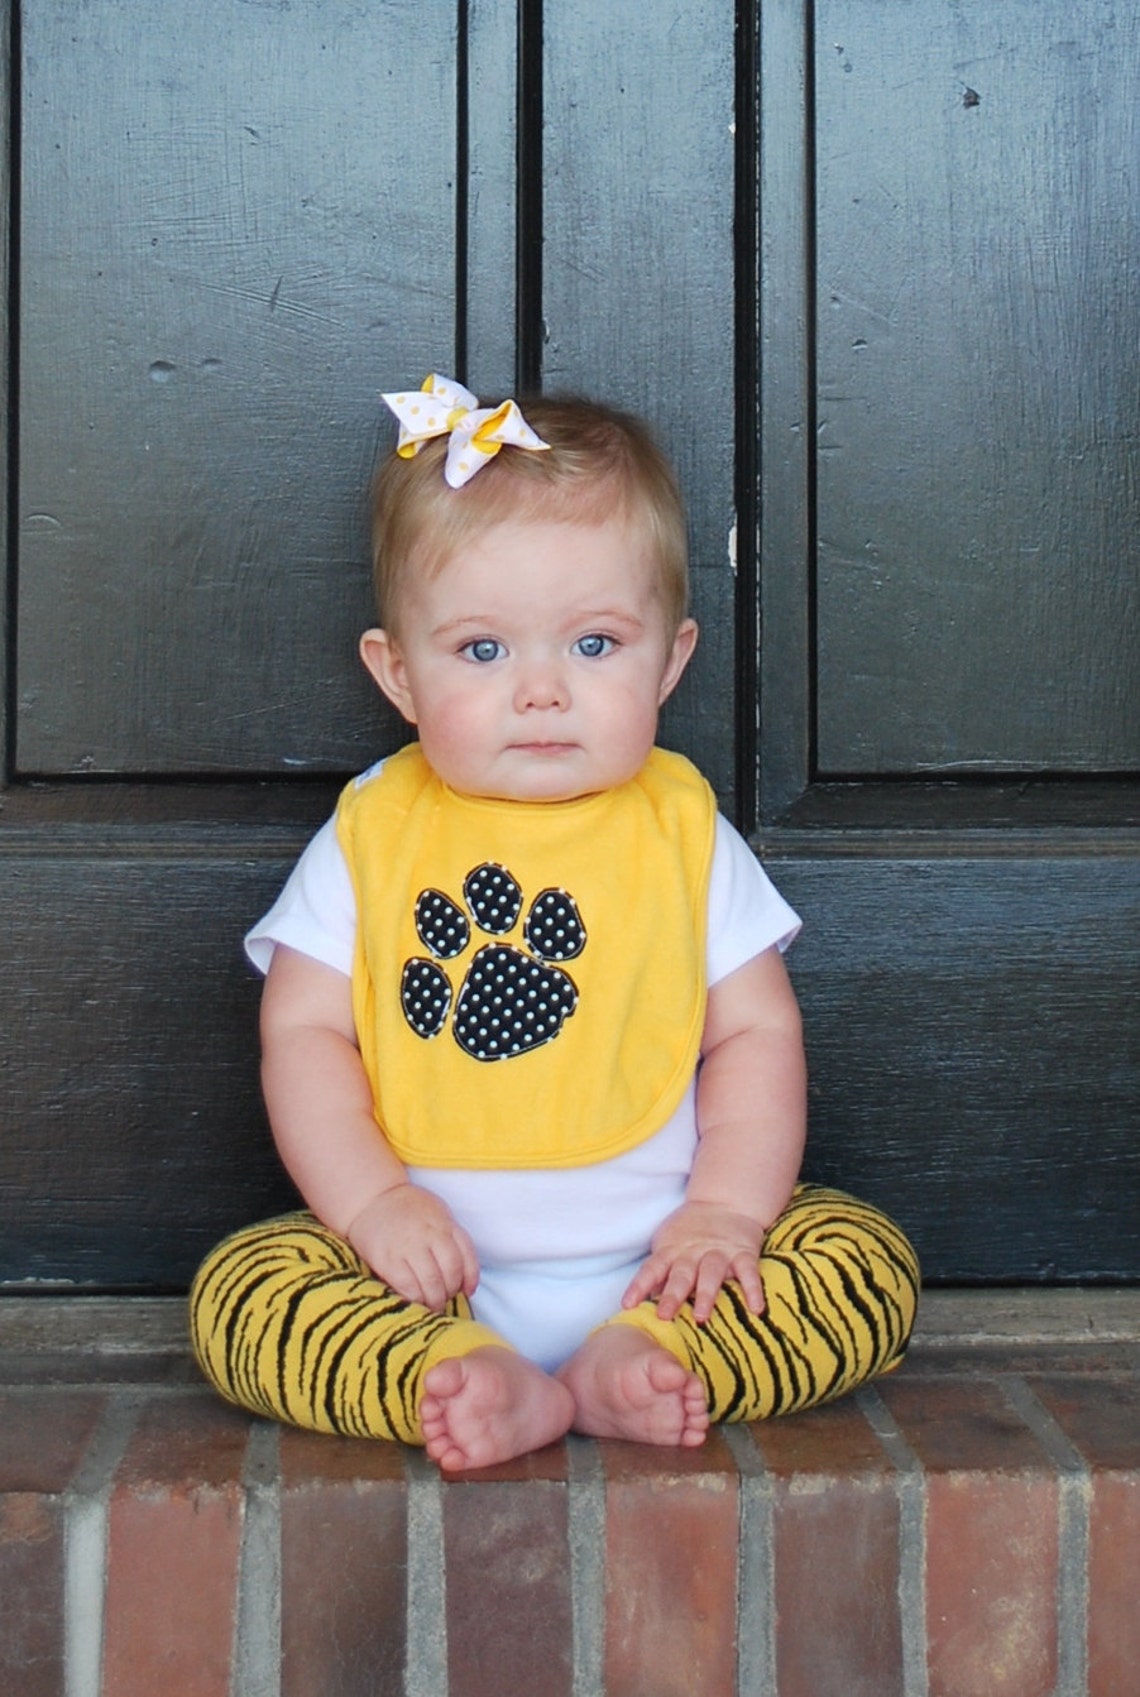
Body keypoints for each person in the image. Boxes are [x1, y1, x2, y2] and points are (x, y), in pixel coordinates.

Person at [190, 375, 918, 1472]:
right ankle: (462, 1374)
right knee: (243, 1293)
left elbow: (756, 1035)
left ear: (670, 660)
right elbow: (304, 1033)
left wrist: (724, 1214)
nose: (542, 691)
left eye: (593, 646)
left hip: (664, 1268)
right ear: (398, 673)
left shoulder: (682, 830)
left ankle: (639, 1361)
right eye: (484, 651)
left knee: (862, 1261)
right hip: (422, 1279)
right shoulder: (371, 835)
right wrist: (372, 1202)